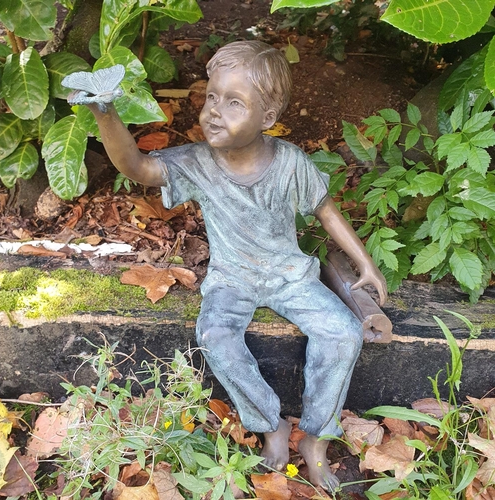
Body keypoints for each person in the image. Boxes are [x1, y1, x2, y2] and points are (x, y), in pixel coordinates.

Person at [66, 40, 387, 491]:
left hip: (288, 276)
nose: (214, 111)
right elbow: (136, 165)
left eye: (234, 103)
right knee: (215, 335)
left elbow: (326, 211)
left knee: (343, 333)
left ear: (268, 119)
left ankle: (316, 438)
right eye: (212, 96)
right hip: (232, 279)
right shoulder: (198, 162)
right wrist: (105, 112)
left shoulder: (290, 162)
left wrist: (365, 265)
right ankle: (269, 422)